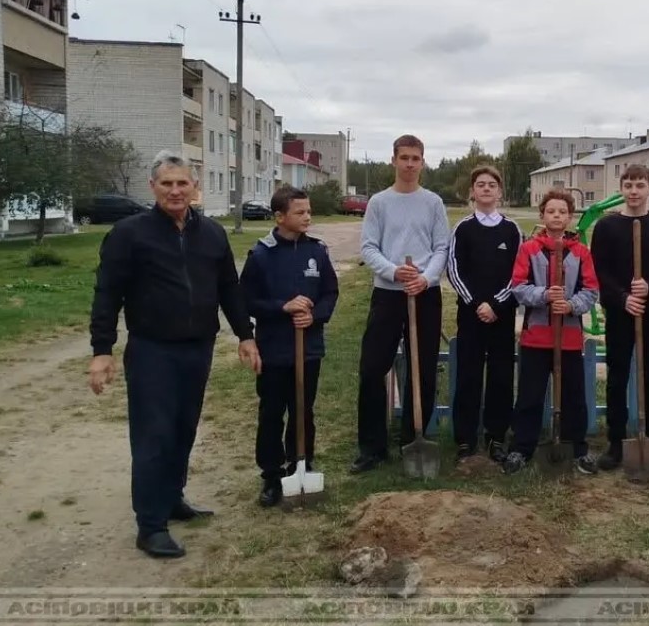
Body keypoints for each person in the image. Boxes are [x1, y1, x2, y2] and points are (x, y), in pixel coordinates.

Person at [88, 150, 262, 558]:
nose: (175, 190)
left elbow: (228, 288)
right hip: (152, 350)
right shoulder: (130, 234)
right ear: (153, 187)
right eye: (166, 183)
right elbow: (107, 293)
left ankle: (171, 498)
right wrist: (102, 350)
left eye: (182, 182)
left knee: (184, 428)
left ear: (194, 187)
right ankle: (150, 525)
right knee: (154, 435)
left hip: (197, 347)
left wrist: (245, 335)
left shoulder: (212, 234)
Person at [351, 134, 450, 474]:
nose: (409, 164)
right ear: (393, 160)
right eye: (404, 157)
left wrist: (426, 278)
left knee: (423, 369)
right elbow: (368, 247)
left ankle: (412, 437)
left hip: (424, 293)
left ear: (422, 162)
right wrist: (394, 271)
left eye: (415, 158)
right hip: (388, 293)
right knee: (372, 368)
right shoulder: (379, 203)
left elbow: (441, 247)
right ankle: (372, 447)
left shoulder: (433, 203)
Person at [239, 187, 339, 507]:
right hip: (274, 349)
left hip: (308, 349)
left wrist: (315, 315)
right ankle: (271, 474)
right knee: (272, 412)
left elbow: (330, 292)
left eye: (309, 211)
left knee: (303, 410)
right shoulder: (261, 255)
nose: (307, 217)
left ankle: (301, 463)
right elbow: (247, 300)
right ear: (280, 217)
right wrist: (282, 307)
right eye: (300, 212)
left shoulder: (317, 251)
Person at [590, 164, 649, 473]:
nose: (633, 191)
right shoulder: (607, 227)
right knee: (617, 378)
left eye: (640, 185)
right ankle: (616, 443)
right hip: (620, 313)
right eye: (628, 185)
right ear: (621, 189)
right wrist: (623, 297)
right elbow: (599, 271)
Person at [502, 189, 599, 475]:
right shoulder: (529, 249)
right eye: (551, 211)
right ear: (542, 215)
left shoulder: (581, 252)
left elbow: (591, 290)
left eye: (563, 212)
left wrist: (570, 305)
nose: (557, 216)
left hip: (568, 339)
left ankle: (576, 448)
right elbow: (518, 287)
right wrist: (544, 295)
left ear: (570, 217)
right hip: (536, 337)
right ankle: (522, 448)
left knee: (573, 398)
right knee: (530, 396)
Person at [446, 165, 523, 464]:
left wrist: (496, 305)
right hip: (471, 315)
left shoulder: (512, 230)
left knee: (501, 377)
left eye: (492, 184)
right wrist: (477, 303)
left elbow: (519, 273)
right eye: (481, 184)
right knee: (468, 376)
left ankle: (496, 437)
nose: (487, 188)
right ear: (473, 192)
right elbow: (454, 270)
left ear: (500, 191)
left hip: (502, 316)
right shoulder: (463, 229)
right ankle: (465, 439)